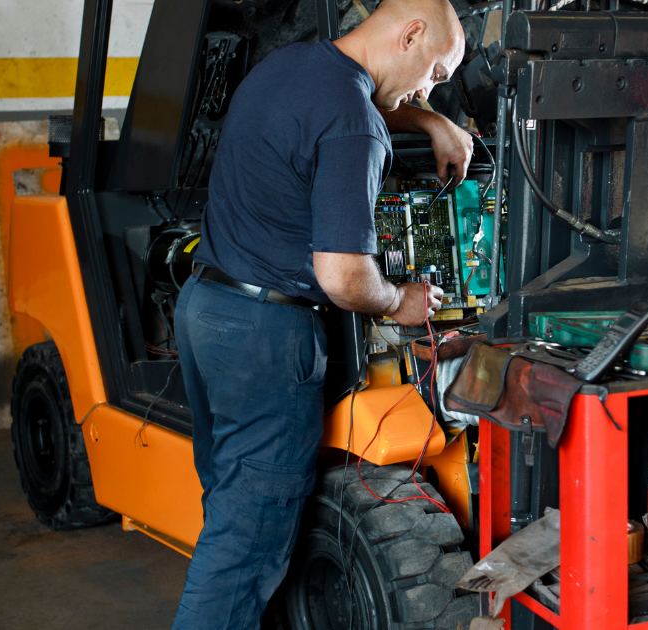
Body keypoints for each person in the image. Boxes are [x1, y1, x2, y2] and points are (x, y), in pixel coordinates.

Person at [170, 0, 470, 627]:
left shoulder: (292, 66)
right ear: (411, 34)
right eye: (436, 73)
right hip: (267, 338)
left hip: (206, 310)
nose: (430, 86)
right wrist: (402, 301)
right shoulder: (354, 122)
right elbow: (344, 278)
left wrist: (431, 120)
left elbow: (363, 100)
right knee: (244, 546)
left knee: (231, 510)